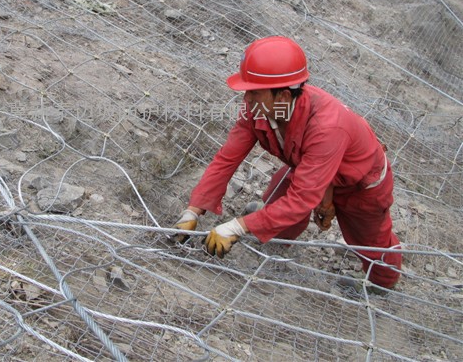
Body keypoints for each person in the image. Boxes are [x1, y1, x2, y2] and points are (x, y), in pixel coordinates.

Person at [172, 36, 402, 290]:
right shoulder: (265, 108)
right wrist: (193, 209)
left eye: (254, 92)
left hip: (358, 184)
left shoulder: (327, 127)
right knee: (277, 194)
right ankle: (275, 246)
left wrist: (239, 226)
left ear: (282, 95)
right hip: (311, 168)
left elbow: (302, 199)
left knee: (369, 241)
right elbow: (227, 159)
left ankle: (382, 285)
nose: (246, 99)